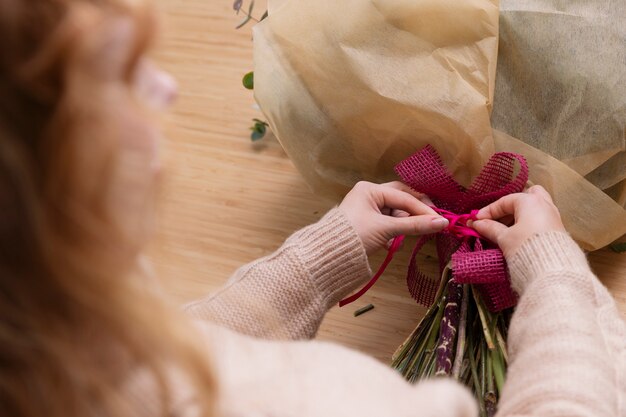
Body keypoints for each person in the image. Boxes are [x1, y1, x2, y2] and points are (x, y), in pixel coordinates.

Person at [1, 1, 624, 417]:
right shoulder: (334, 399)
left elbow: (165, 362)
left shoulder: (49, 358)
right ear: (45, 185)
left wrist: (312, 264)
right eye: (121, 74)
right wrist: (554, 273)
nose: (169, 89)